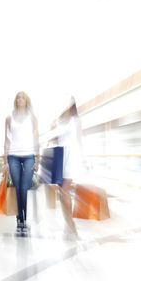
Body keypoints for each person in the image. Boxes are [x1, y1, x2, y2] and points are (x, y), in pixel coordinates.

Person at [4, 91, 40, 236]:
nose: (20, 99)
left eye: (22, 97)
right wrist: (5, 160)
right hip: (13, 155)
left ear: (26, 101)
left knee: (24, 188)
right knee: (18, 187)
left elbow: (37, 138)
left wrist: (37, 159)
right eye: (18, 97)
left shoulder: (32, 118)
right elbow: (6, 139)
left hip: (29, 155)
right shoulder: (8, 118)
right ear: (15, 101)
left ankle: (23, 219)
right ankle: (20, 220)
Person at [55, 97, 83, 239]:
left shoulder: (75, 120)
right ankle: (68, 225)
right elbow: (55, 139)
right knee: (61, 193)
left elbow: (79, 141)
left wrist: (83, 161)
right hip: (60, 157)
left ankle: (71, 226)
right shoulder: (58, 121)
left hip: (71, 157)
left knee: (64, 191)